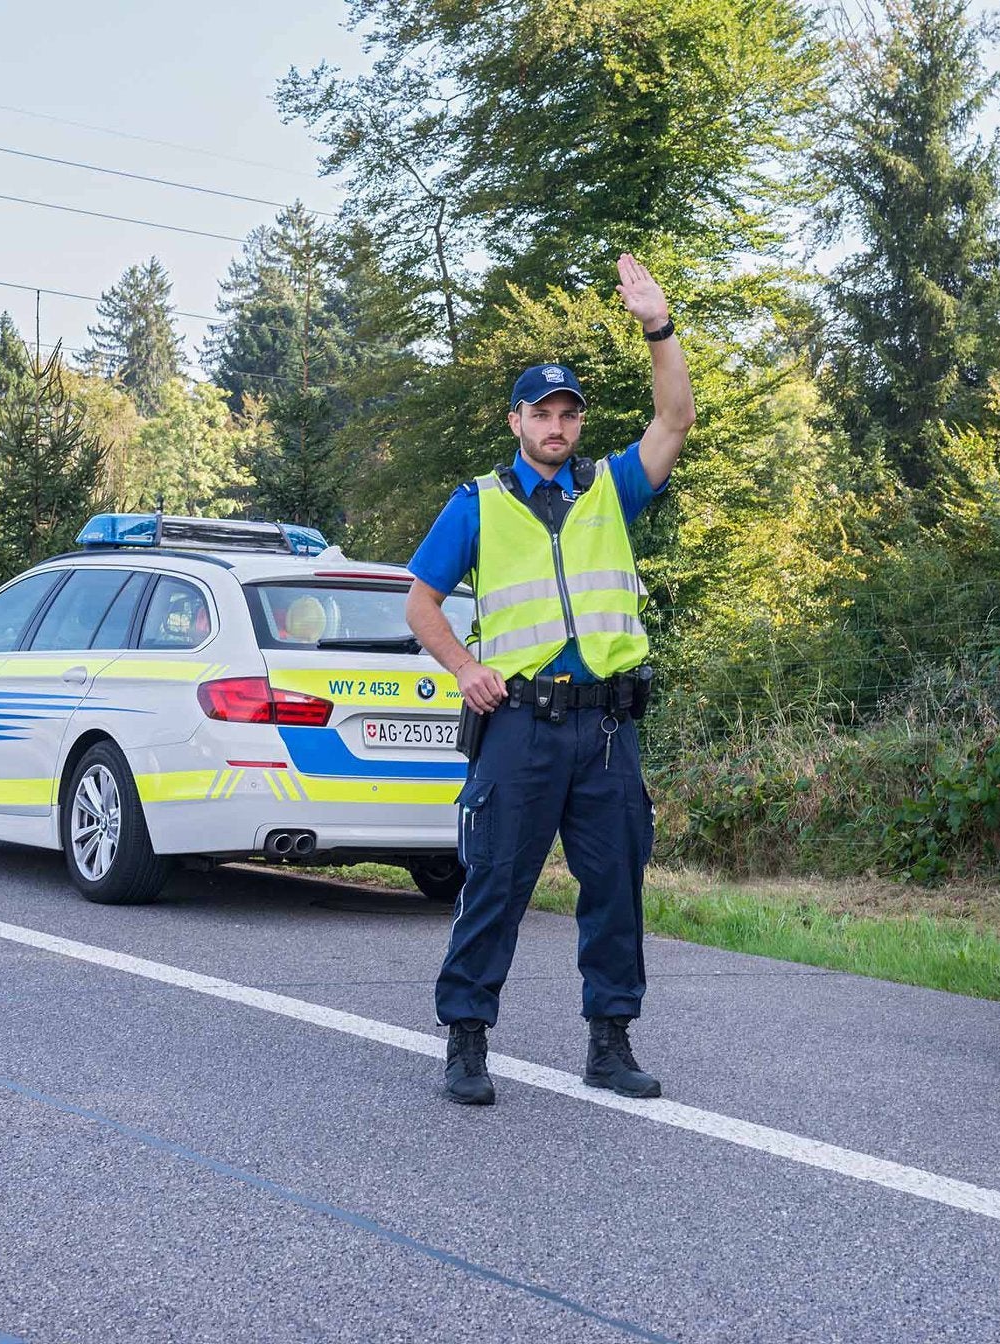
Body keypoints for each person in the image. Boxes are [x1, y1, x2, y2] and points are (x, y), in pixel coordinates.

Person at [404, 254, 695, 1106]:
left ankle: (609, 1042)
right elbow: (419, 605)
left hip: (607, 728)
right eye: (543, 412)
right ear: (517, 421)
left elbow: (674, 420)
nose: (558, 425)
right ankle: (466, 1041)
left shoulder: (611, 488)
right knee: (495, 883)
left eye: (569, 413)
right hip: (521, 724)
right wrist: (465, 669)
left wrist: (659, 326)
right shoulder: (479, 503)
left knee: (615, 890)